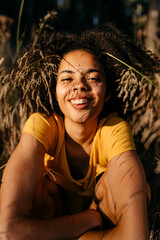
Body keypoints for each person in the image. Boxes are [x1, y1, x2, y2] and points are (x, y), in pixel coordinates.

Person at [0, 23, 159, 240]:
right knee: (39, 189)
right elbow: (7, 231)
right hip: (89, 225)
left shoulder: (113, 130)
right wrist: (91, 219)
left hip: (54, 232)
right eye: (67, 78)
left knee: (110, 184)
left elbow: (136, 236)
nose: (79, 86)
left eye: (93, 78)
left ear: (108, 92)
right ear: (54, 93)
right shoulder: (42, 126)